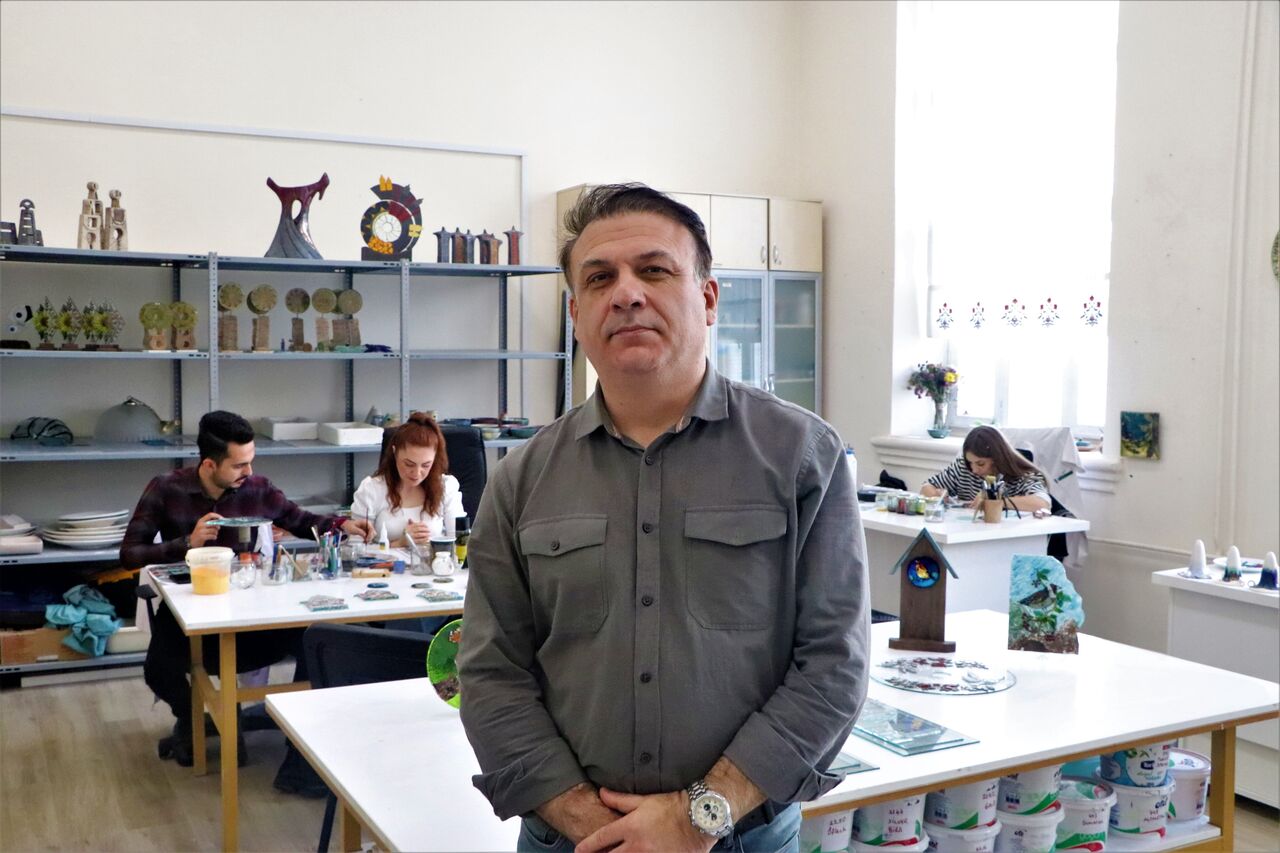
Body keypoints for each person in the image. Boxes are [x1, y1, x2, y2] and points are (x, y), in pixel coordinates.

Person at [457, 184, 869, 852]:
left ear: (708, 298)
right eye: (600, 278)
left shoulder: (802, 457)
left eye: (653, 270)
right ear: (576, 313)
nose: (626, 293)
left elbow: (833, 665)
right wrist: (597, 828)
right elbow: (490, 674)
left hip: (743, 839)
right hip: (569, 842)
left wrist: (697, 816)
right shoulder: (520, 480)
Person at [121, 410, 374, 795]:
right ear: (209, 464)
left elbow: (299, 518)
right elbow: (129, 554)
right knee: (158, 670)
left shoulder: (257, 488)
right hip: (191, 609)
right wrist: (186, 543)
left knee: (318, 640)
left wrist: (342, 526)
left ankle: (301, 741)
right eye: (239, 465)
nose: (249, 471)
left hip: (252, 613)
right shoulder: (166, 488)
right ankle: (193, 716)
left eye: (251, 461)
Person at [351, 412, 464, 552]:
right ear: (395, 452)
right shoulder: (372, 489)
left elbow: (460, 543)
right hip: (385, 565)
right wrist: (399, 543)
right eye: (409, 464)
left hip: (434, 564)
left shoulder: (446, 487)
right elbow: (354, 550)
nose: (416, 473)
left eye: (426, 465)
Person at [920, 425, 1051, 512]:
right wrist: (936, 497)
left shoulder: (1024, 475)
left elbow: (1042, 503)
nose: (974, 470)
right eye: (970, 462)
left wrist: (996, 502)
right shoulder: (964, 467)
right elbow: (926, 487)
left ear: (997, 458)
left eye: (981, 464)